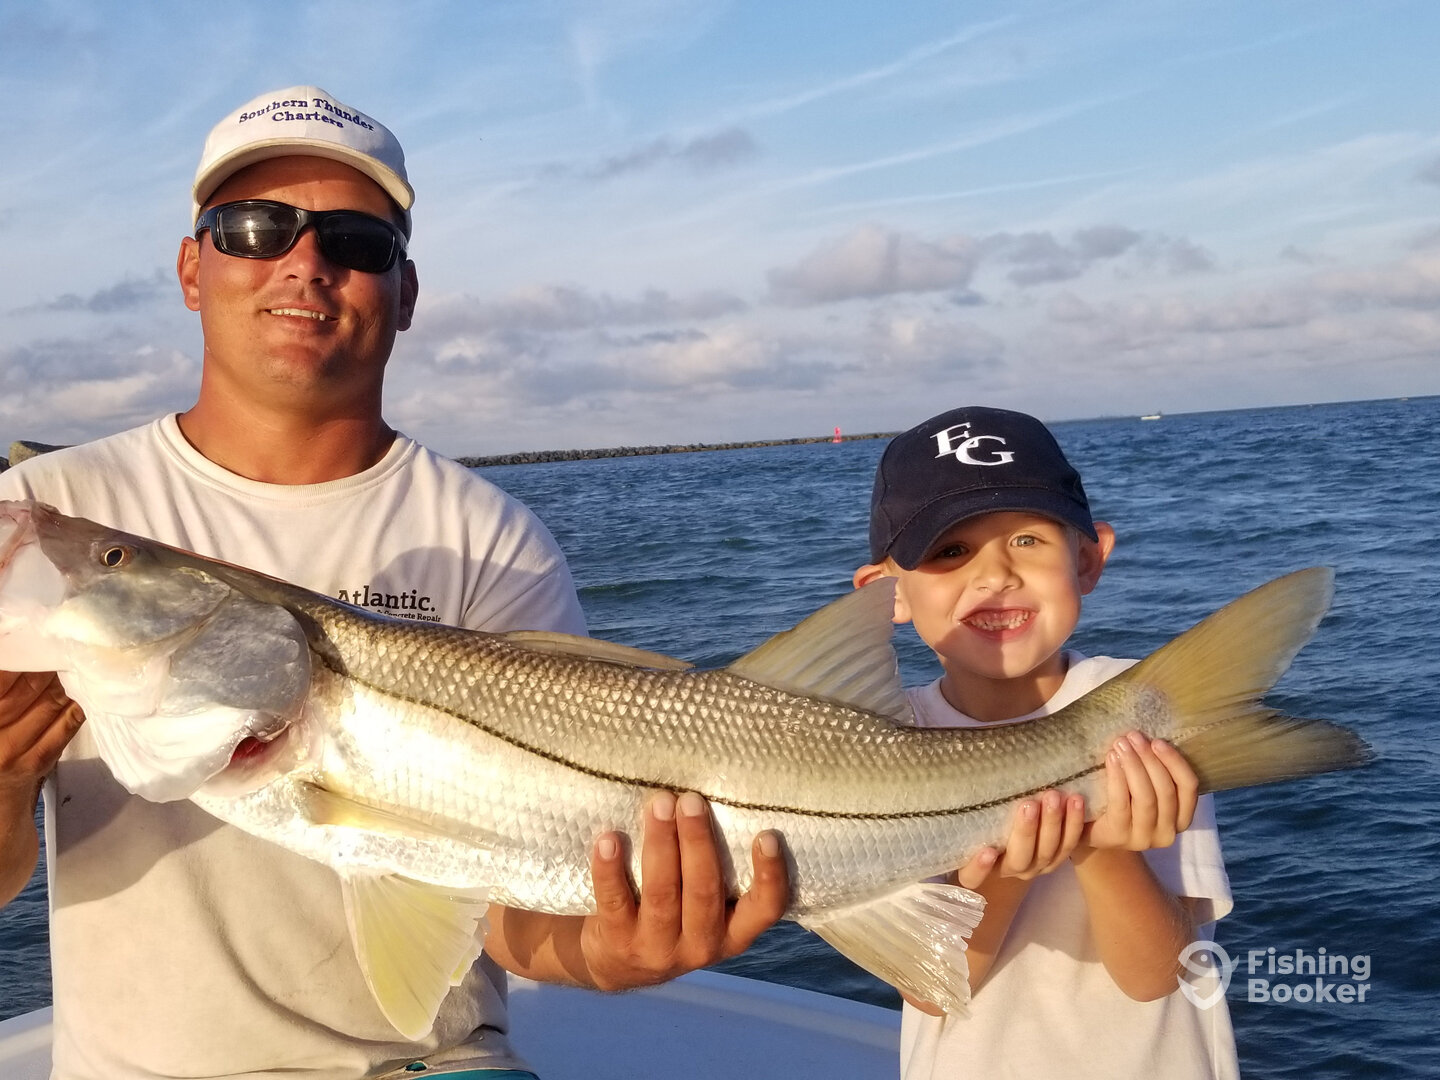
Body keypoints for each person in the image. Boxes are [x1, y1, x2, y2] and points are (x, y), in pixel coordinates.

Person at [0, 85, 787, 1079]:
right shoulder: (47, 516)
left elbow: (514, 919)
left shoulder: (491, 539)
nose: (304, 263)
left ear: (405, 292)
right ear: (193, 267)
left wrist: (609, 951)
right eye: (252, 229)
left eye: (356, 242)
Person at [853, 406, 1238, 1080]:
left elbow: (1161, 975)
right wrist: (1010, 867)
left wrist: (1099, 844)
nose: (995, 574)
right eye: (950, 551)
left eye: (1026, 540)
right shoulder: (870, 745)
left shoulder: (1143, 709)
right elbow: (931, 989)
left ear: (1087, 558)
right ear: (888, 595)